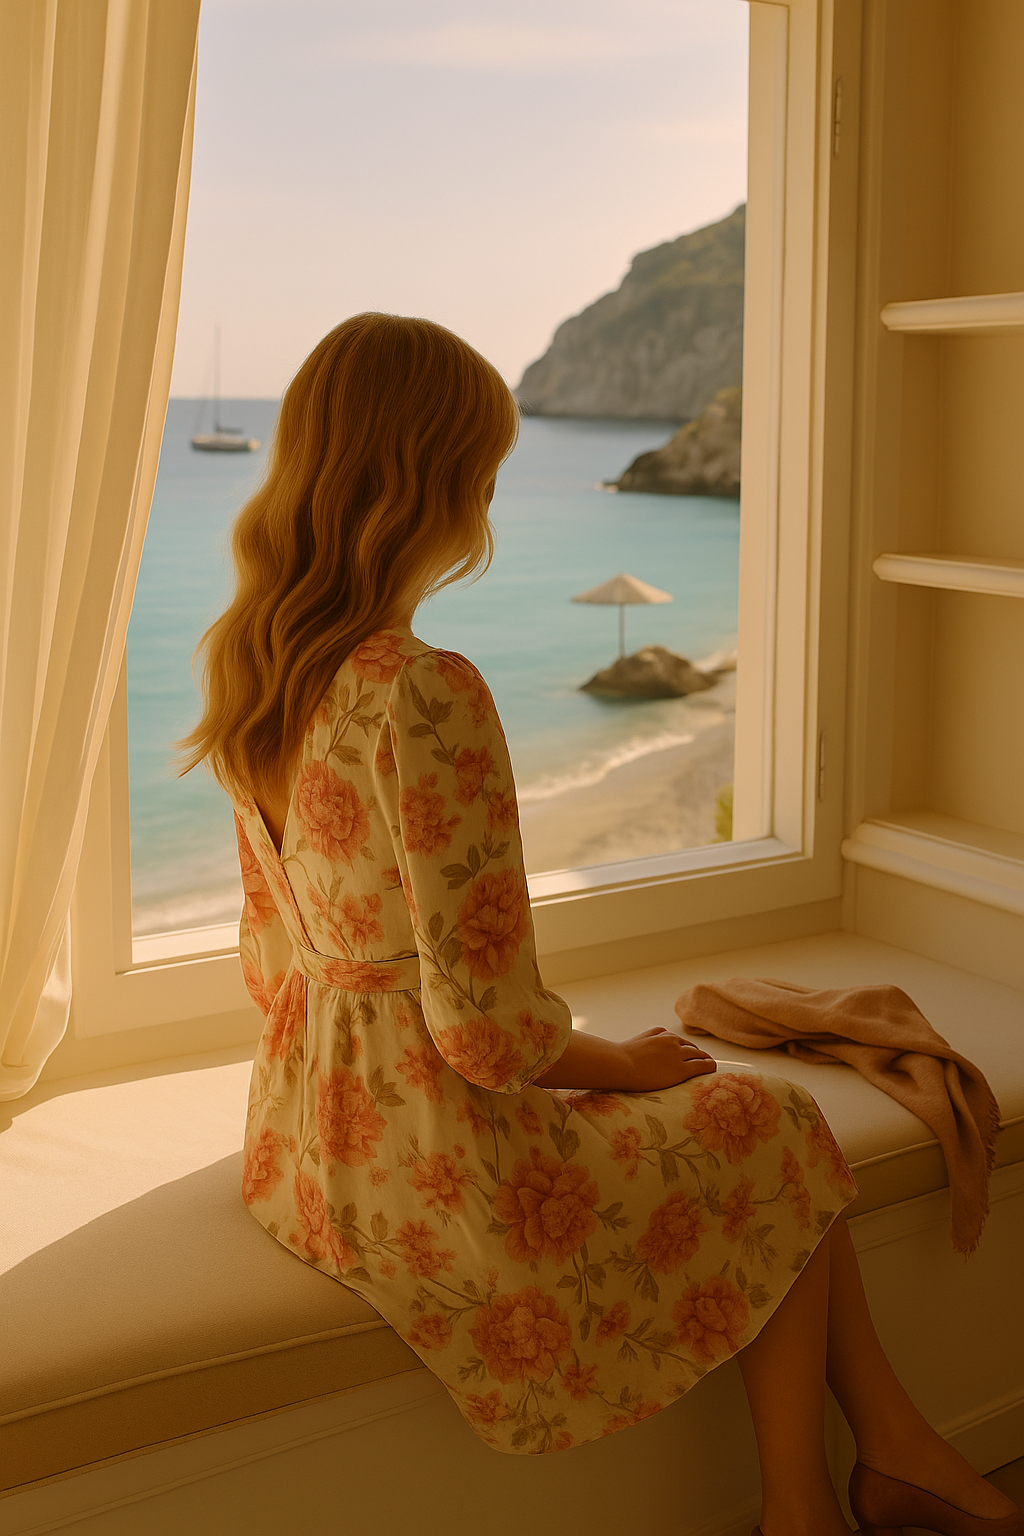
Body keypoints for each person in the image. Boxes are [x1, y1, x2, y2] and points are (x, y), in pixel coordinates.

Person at [181, 314, 1020, 1536]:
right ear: (435, 480)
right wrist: (619, 1065)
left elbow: (273, 960)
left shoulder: (253, 661)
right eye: (484, 465)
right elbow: (486, 1035)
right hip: (439, 1170)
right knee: (776, 1119)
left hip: (310, 1141)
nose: (489, 495)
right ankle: (817, 1499)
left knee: (756, 1129)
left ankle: (876, 1463)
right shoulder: (422, 690)